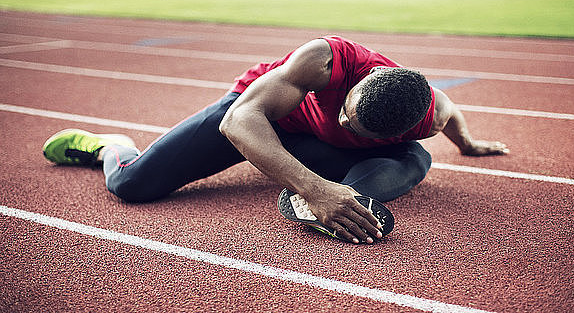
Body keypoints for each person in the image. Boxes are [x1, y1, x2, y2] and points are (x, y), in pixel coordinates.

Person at [43, 36, 509, 244]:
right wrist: (314, 187)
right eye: (347, 115)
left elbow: (451, 118)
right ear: (355, 86)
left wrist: (468, 146)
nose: (345, 125)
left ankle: (350, 197)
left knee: (415, 160)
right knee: (132, 186)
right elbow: (240, 121)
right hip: (269, 122)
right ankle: (110, 147)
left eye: (359, 132)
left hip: (326, 151)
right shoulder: (324, 60)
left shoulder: (428, 116)